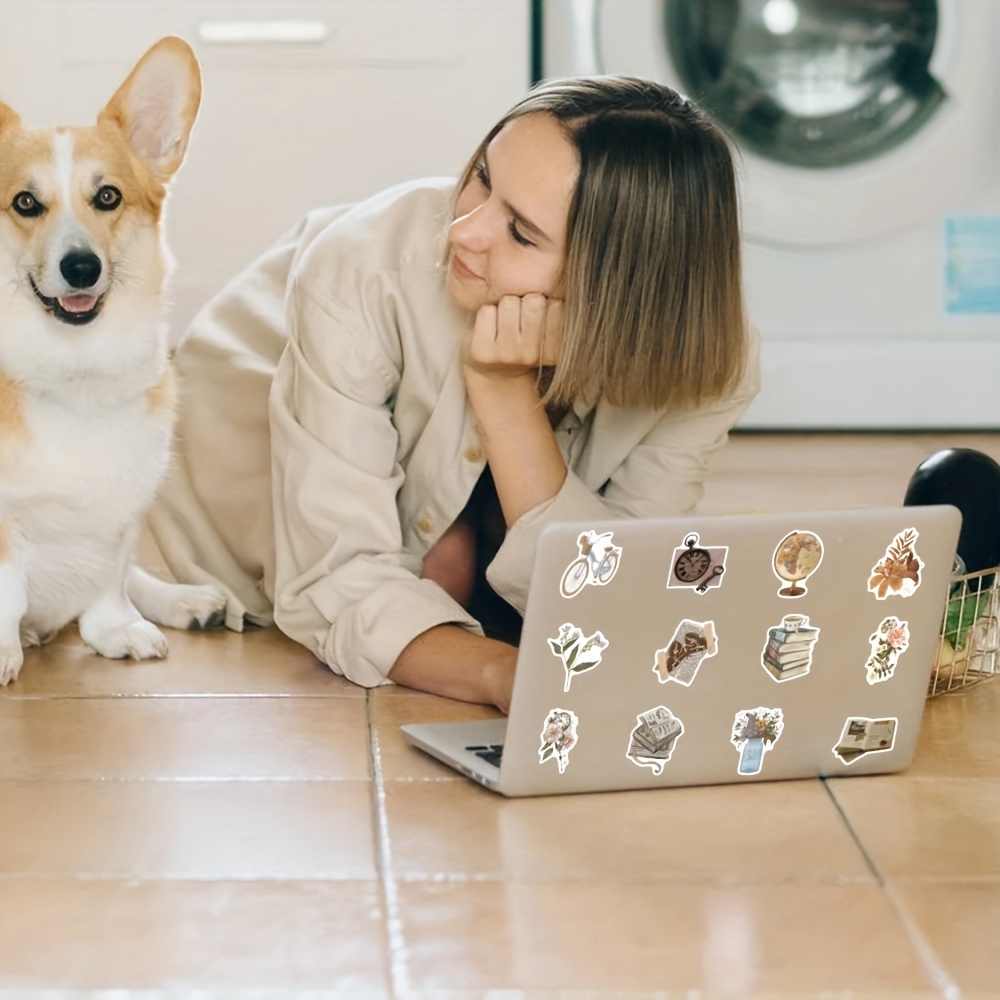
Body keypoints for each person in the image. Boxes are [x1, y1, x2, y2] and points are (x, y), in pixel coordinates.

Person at [143, 75, 760, 713]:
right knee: (436, 569)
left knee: (457, 567)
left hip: (460, 477)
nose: (464, 229)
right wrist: (505, 676)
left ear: (620, 282)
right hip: (236, 451)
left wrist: (504, 392)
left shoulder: (710, 357)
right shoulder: (363, 266)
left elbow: (622, 594)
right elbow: (337, 576)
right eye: (484, 177)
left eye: (521, 233)